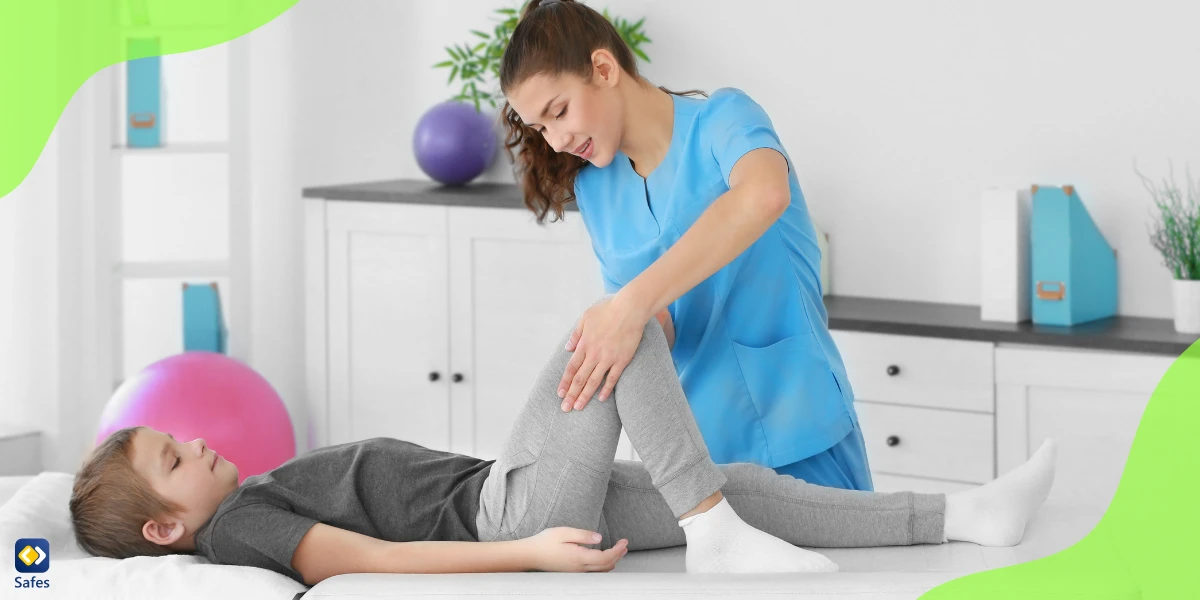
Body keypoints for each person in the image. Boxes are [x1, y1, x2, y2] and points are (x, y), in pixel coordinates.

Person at [70, 315, 1057, 587]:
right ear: (166, 524)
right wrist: (527, 551)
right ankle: (710, 529)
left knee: (737, 483)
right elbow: (368, 560)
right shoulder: (239, 528)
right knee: (612, 328)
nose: (194, 440)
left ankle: (967, 515)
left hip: (509, 496)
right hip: (507, 514)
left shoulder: (244, 502)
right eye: (172, 454)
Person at [499, 0, 871, 490]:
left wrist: (631, 303)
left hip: (798, 422)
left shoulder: (724, 118)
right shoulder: (596, 191)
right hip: (696, 460)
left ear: (604, 67)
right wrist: (607, 339)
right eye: (541, 128)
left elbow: (763, 194)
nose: (555, 140)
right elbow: (658, 328)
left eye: (559, 111)